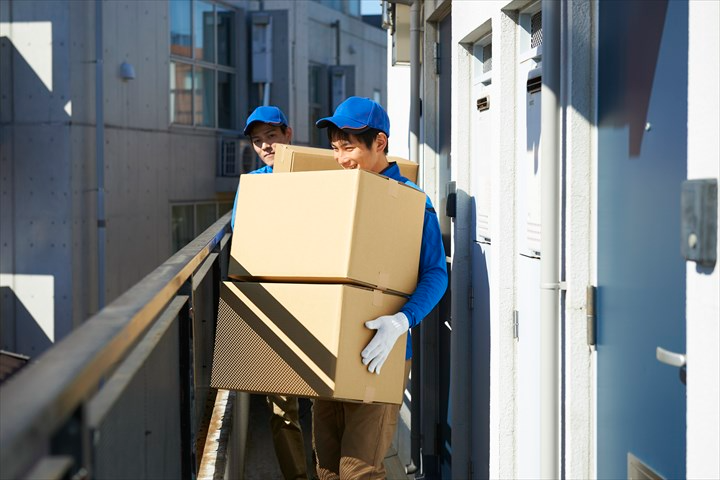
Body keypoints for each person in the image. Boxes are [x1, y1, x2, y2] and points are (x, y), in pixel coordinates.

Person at [313, 97, 448, 479]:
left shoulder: (411, 202)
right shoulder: (336, 195)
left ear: (380, 143)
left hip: (379, 351)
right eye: (336, 149)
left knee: (360, 470)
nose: (341, 160)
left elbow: (436, 273)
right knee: (326, 466)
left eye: (350, 147)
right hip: (328, 346)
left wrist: (401, 321)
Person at [231, 105, 312, 480]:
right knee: (282, 408)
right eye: (257, 141)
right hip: (274, 301)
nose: (265, 146)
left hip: (317, 297)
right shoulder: (252, 184)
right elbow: (240, 234)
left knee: (330, 404)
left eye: (272, 137)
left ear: (288, 134)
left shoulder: (318, 173)